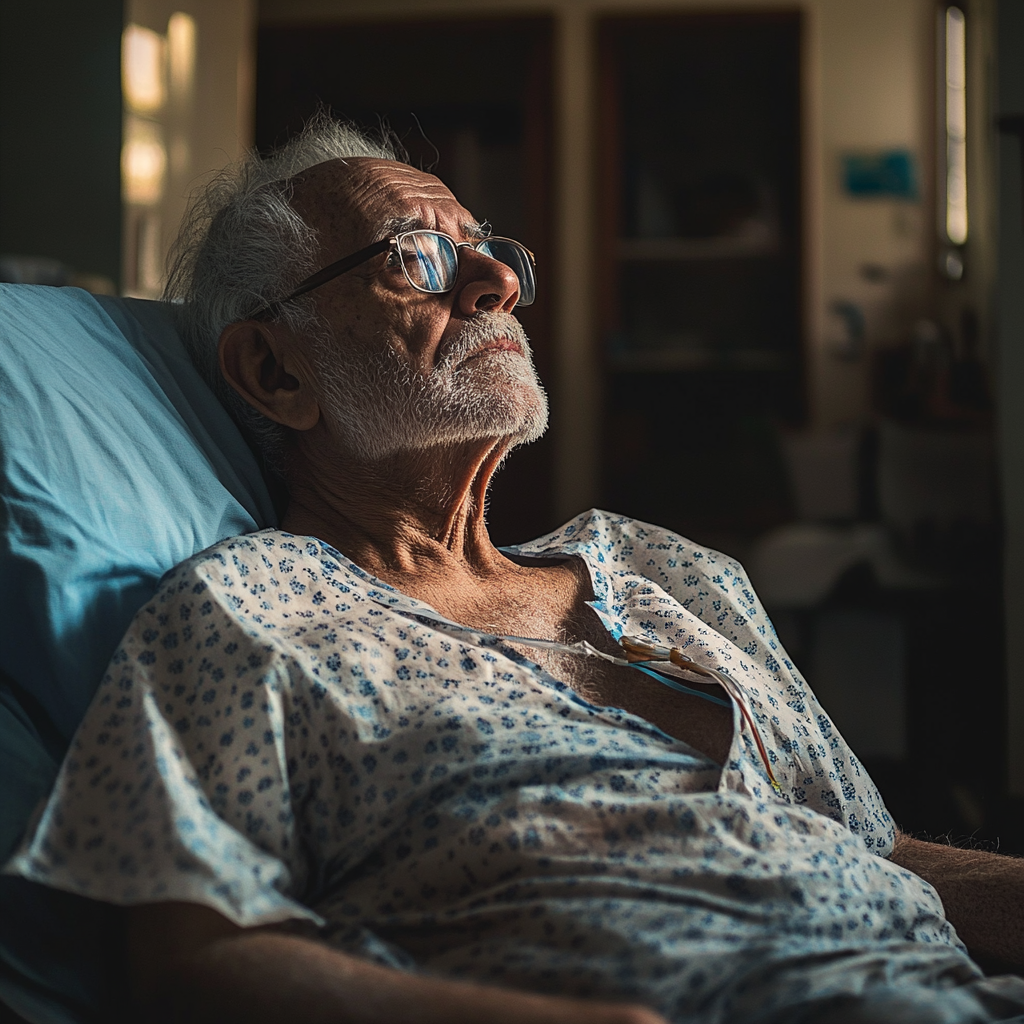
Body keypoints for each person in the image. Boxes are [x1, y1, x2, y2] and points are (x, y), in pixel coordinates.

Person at [7, 117, 1024, 1024]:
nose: (494, 281)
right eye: (414, 258)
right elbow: (194, 964)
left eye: (490, 251)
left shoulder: (665, 569)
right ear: (277, 371)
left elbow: (864, 849)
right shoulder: (241, 612)